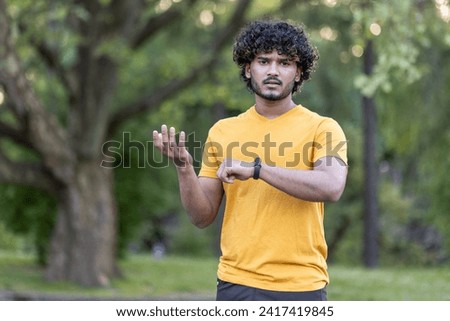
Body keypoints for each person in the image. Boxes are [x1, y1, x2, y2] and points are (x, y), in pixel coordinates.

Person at [153, 19, 348, 301]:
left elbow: (331, 186)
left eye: (284, 62)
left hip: (301, 286)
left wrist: (257, 169)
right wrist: (184, 168)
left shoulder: (324, 128)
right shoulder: (223, 131)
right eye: (263, 60)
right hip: (236, 283)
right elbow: (201, 216)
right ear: (248, 68)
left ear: (298, 72)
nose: (272, 70)